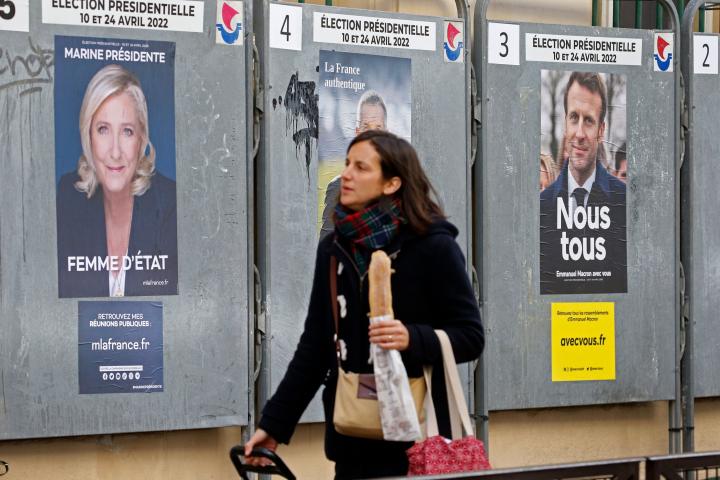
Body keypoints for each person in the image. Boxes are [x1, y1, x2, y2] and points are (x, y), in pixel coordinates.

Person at [245, 130, 484, 479]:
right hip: (352, 440)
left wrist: (412, 338)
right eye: (346, 164)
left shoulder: (433, 246)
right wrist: (274, 427)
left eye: (361, 167)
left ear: (391, 183)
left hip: (418, 448)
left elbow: (471, 336)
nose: (346, 174)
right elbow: (315, 348)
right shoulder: (333, 250)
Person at [56, 64, 178, 298]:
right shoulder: (68, 198)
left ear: (141, 139)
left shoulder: (169, 205)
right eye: (103, 129)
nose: (115, 152)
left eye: (127, 131)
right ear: (88, 136)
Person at [539, 72, 627, 294]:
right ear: (565, 123)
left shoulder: (624, 202)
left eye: (588, 120)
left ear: (601, 131)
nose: (579, 133)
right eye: (573, 117)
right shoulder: (541, 207)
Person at [320, 90, 388, 239]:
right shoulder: (338, 188)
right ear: (358, 133)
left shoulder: (401, 189)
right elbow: (326, 248)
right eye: (366, 127)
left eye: (378, 128)